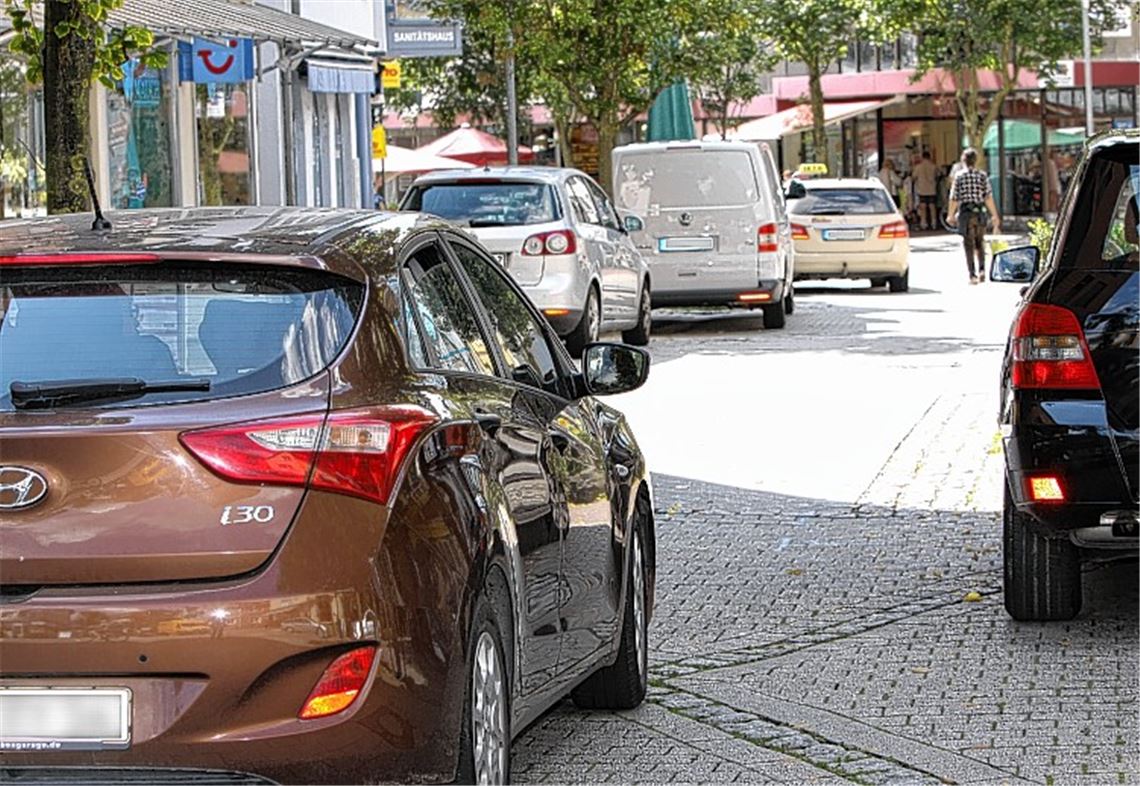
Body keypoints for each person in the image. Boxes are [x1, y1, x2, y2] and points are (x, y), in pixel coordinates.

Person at [946, 148, 1001, 284]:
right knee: (980, 242)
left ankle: (972, 275)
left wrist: (950, 215)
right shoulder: (982, 175)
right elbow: (988, 197)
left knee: (968, 244)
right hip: (980, 211)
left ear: (963, 160)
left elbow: (954, 197)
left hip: (965, 212)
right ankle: (982, 270)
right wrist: (995, 215)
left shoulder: (959, 176)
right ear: (976, 161)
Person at [912, 151, 939, 230]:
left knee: (923, 207)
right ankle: (934, 223)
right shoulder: (934, 166)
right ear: (929, 157)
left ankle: (923, 223)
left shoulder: (918, 167)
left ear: (922, 157)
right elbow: (938, 175)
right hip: (932, 189)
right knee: (932, 206)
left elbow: (913, 177)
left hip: (922, 189)